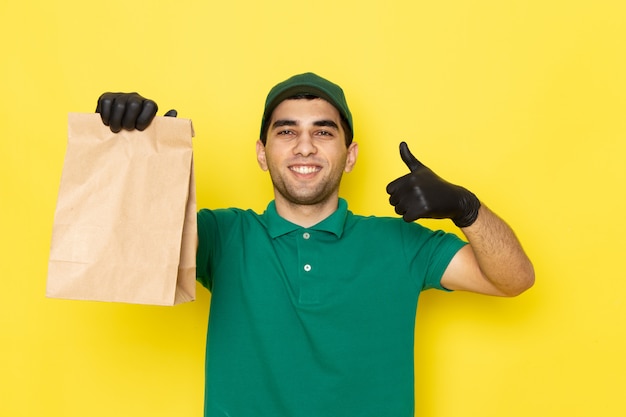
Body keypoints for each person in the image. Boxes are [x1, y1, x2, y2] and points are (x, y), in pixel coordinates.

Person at [96, 72, 534, 417]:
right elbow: (128, 251)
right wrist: (136, 152)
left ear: (351, 154)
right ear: (262, 153)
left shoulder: (399, 243)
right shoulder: (223, 235)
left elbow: (514, 280)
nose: (305, 147)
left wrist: (466, 208)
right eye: (286, 132)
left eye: (323, 133)